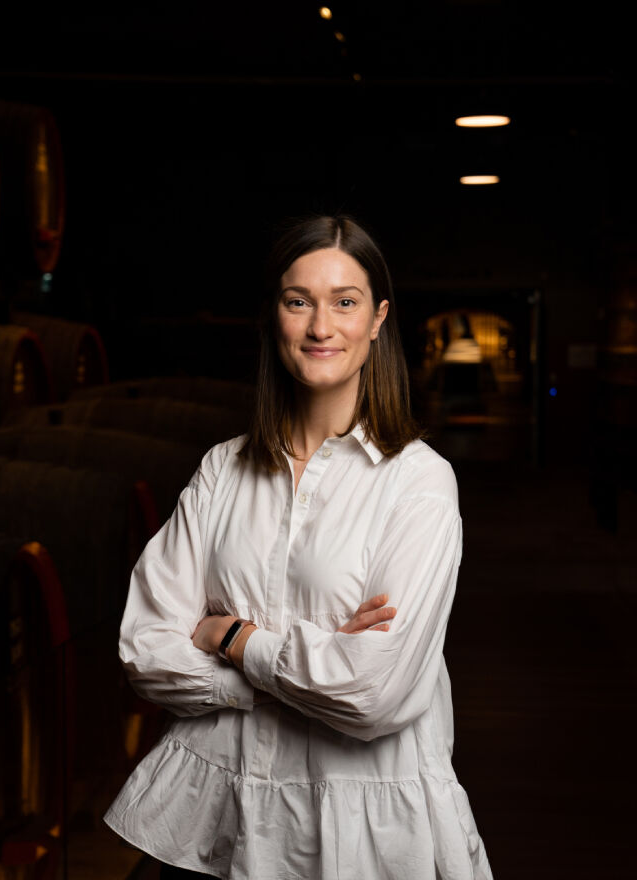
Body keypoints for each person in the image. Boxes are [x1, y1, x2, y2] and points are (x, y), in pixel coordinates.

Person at [104, 214, 492, 879]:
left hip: (358, 838)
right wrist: (310, 666)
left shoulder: (418, 481)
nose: (321, 326)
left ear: (377, 320)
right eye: (298, 301)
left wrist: (229, 636)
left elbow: (375, 694)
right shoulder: (223, 470)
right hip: (215, 822)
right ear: (273, 317)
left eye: (345, 302)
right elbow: (145, 651)